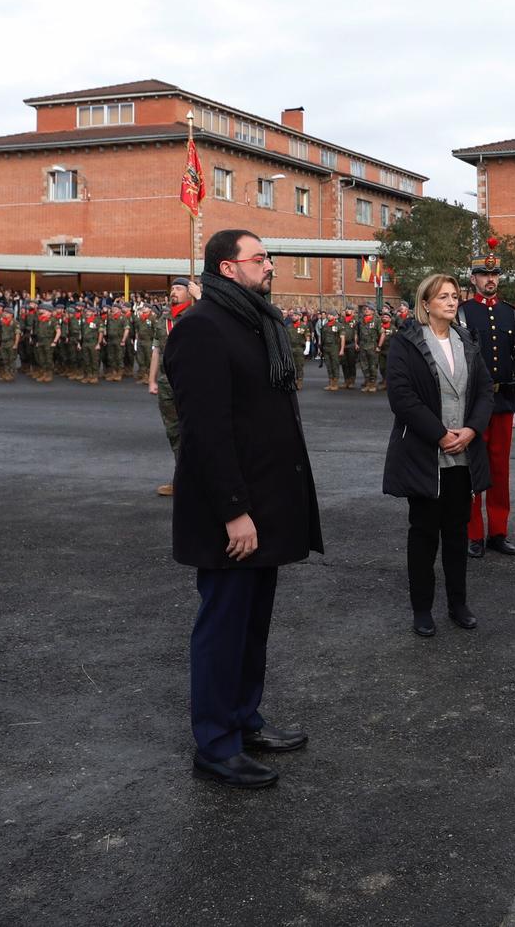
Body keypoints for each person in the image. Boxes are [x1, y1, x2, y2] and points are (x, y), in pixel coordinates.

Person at [165, 230, 321, 790]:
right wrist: (235, 511)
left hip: (268, 504)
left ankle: (244, 719)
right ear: (228, 269)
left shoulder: (257, 321)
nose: (271, 266)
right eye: (260, 259)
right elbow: (205, 431)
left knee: (252, 627)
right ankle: (215, 743)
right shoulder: (201, 327)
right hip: (232, 513)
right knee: (223, 629)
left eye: (269, 258)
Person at [382, 273, 492, 637]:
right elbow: (402, 397)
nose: (451, 301)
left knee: (458, 533)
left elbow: (484, 392)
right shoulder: (406, 342)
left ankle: (458, 604)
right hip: (426, 455)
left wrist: (472, 430)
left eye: (455, 295)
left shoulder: (466, 340)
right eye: (442, 296)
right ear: (425, 303)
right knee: (424, 534)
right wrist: (440, 434)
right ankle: (422, 609)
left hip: (463, 454)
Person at [459, 240, 515, 560]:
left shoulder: (511, 315)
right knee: (474, 469)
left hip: (503, 402)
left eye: (495, 274)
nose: (491, 279)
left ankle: (498, 532)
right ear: (472, 278)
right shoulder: (463, 313)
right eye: (483, 274)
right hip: (473, 403)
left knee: (500, 471)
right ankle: (473, 533)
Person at [148, 276, 194, 498]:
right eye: (172, 288)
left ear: (189, 292)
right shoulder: (163, 318)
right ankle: (182, 480)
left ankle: (198, 480)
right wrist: (152, 380)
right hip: (167, 383)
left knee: (194, 431)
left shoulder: (196, 315)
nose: (173, 292)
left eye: (179, 288)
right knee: (174, 432)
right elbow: (156, 350)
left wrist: (200, 296)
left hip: (191, 382)